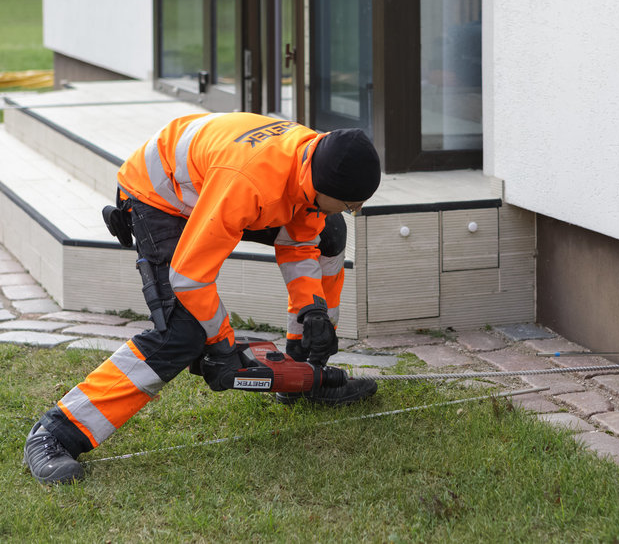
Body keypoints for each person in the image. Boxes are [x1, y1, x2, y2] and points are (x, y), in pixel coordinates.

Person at [23, 112, 382, 485]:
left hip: (214, 182)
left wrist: (314, 312)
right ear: (324, 183)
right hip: (160, 197)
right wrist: (221, 346)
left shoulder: (315, 156)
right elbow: (190, 279)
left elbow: (300, 240)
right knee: (183, 332)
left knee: (330, 232)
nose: (354, 210)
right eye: (351, 203)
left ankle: (303, 373)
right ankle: (55, 433)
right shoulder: (251, 181)